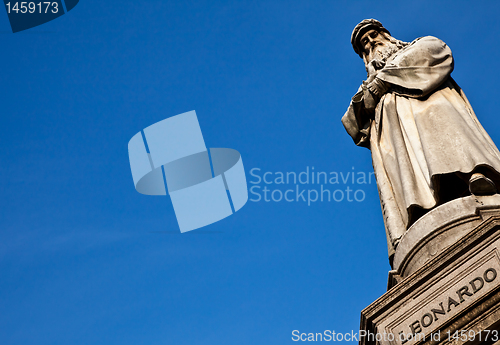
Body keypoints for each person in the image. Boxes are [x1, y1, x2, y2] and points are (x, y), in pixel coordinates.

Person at [342, 19, 500, 261]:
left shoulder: (417, 45)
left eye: (373, 35)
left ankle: (475, 175)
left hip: (430, 105)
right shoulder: (366, 86)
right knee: (408, 169)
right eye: (365, 42)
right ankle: (419, 212)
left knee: (447, 135)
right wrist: (367, 95)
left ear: (386, 34)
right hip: (395, 131)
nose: (371, 42)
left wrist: (384, 80)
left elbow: (437, 51)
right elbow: (352, 122)